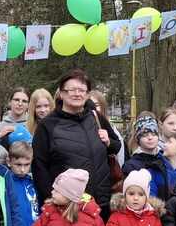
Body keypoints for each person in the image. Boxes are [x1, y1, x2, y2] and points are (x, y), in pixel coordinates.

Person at [31, 69, 121, 216]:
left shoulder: (96, 117)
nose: (77, 94)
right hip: (68, 208)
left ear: (87, 94)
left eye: (82, 90)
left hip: (102, 204)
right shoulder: (47, 125)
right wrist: (51, 199)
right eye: (72, 90)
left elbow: (116, 146)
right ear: (61, 93)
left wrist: (109, 142)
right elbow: (39, 167)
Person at [122, 114, 171, 199]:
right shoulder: (131, 165)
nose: (150, 138)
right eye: (145, 135)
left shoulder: (165, 159)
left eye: (154, 134)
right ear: (138, 138)